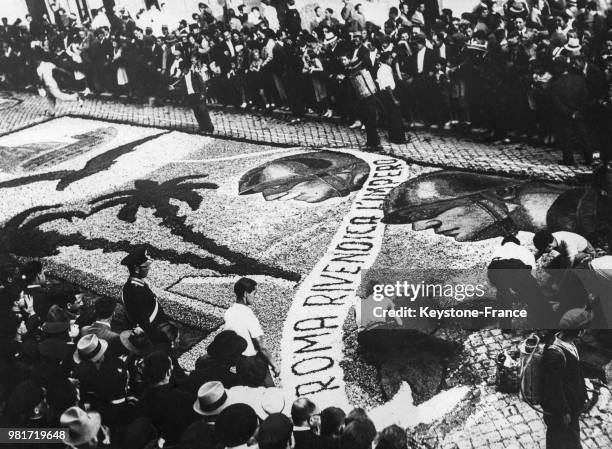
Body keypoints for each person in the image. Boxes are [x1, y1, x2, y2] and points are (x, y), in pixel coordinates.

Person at [223, 277, 279, 387]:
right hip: (254, 362)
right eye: (254, 293)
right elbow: (261, 345)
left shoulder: (229, 312)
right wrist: (274, 364)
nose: (255, 297)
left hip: (240, 363)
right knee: (268, 393)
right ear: (245, 294)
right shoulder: (247, 314)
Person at [540, 328, 588, 449]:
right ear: (579, 332)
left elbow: (575, 372)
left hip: (572, 406)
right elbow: (553, 388)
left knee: (570, 438)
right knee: (559, 441)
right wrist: (564, 412)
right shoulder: (554, 355)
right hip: (561, 411)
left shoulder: (570, 344)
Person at [120, 247, 169, 342]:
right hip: (150, 333)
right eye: (145, 266)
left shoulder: (137, 285)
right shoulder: (136, 291)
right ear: (137, 269)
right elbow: (144, 320)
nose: (148, 268)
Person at [169, 62, 214, 133]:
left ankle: (210, 128)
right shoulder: (183, 77)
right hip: (191, 97)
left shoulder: (195, 75)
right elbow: (180, 86)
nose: (182, 71)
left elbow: (202, 84)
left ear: (187, 68)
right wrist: (173, 87)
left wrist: (202, 94)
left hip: (198, 95)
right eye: (181, 69)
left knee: (203, 111)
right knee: (197, 112)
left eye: (183, 69)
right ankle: (202, 127)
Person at [35, 51, 82, 116]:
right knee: (50, 98)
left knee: (60, 96)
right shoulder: (48, 64)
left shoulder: (39, 68)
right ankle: (52, 112)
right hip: (52, 83)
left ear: (38, 60)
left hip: (49, 85)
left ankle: (75, 97)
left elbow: (40, 79)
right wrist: (67, 73)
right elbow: (58, 69)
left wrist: (39, 87)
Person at [377, 51, 406, 143]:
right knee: (395, 117)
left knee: (391, 117)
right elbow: (388, 86)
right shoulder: (385, 69)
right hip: (388, 94)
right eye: (390, 58)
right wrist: (394, 99)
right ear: (386, 59)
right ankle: (398, 139)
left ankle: (393, 137)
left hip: (385, 94)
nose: (391, 60)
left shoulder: (382, 69)